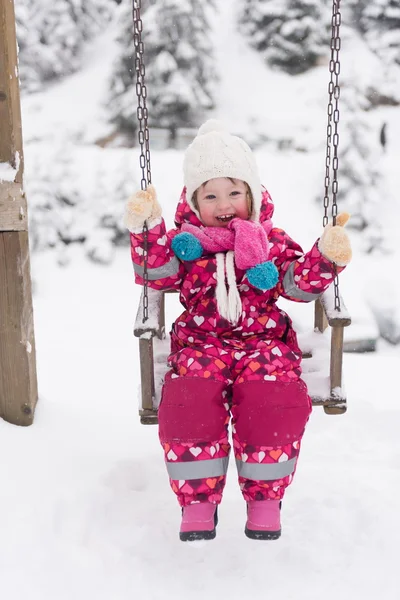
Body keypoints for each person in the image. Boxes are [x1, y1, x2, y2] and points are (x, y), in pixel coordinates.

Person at [124, 120, 352, 542]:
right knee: (189, 402)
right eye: (210, 195)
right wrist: (146, 228)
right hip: (200, 344)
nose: (224, 203)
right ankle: (197, 504)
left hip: (264, 344)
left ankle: (265, 500)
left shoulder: (270, 239)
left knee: (274, 399)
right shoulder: (184, 243)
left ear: (252, 194)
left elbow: (296, 287)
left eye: (234, 192)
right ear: (194, 201)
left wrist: (325, 257)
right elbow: (155, 272)